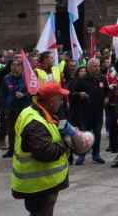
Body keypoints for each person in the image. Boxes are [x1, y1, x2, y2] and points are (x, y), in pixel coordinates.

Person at [11, 82, 73, 216]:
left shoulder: (36, 112)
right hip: (39, 186)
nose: (62, 102)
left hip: (41, 184)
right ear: (51, 101)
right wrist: (66, 143)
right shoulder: (35, 122)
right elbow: (45, 152)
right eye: (60, 99)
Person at [70, 58, 107, 165]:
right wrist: (79, 94)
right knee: (84, 135)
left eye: (98, 66)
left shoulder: (102, 78)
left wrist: (107, 98)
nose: (97, 68)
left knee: (97, 134)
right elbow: (71, 94)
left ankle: (96, 155)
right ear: (89, 67)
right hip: (85, 113)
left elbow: (107, 91)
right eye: (95, 66)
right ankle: (82, 155)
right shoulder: (81, 80)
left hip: (98, 112)